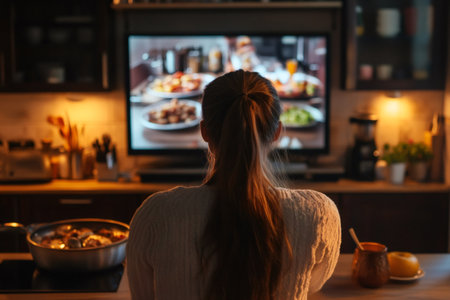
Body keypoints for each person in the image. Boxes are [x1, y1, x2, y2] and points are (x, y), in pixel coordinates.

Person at [126, 70, 341, 300]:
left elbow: (143, 295)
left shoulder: (155, 214)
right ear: (277, 132)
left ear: (204, 132)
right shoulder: (320, 214)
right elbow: (312, 284)